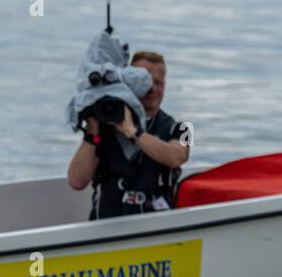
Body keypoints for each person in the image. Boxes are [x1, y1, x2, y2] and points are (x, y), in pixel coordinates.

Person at [67, 51, 190, 219]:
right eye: (145, 82)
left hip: (159, 229)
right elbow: (76, 181)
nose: (152, 89)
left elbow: (177, 156)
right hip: (106, 230)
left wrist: (132, 131)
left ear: (165, 86)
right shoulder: (104, 127)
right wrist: (92, 134)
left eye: (158, 82)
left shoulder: (183, 127)